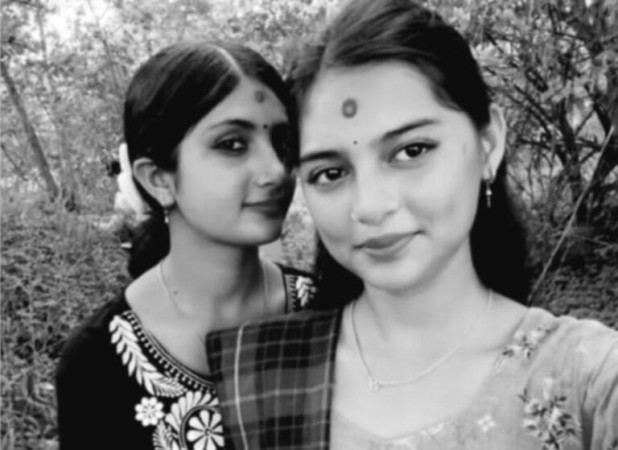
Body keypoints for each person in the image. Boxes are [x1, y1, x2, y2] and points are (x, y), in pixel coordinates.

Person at [205, 1, 618, 449]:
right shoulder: (260, 374)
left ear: (489, 143)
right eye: (331, 173)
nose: (370, 206)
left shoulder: (587, 378)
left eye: (411, 151)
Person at [55, 41, 315, 450]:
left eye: (281, 142)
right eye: (232, 144)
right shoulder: (96, 363)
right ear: (158, 179)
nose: (275, 171)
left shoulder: (329, 310)